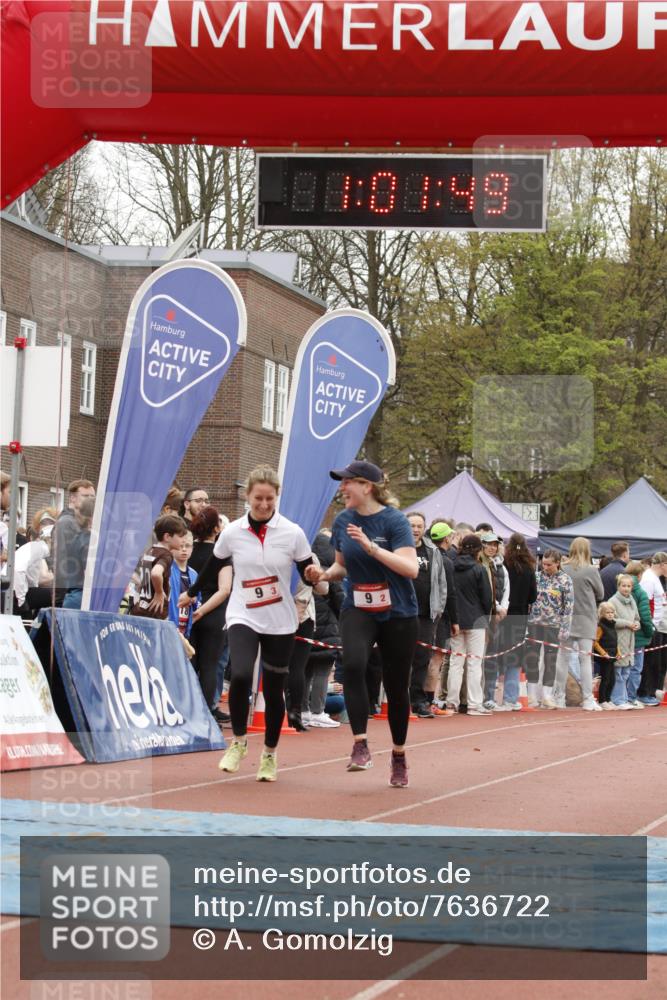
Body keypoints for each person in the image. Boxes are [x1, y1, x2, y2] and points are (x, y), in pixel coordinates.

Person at [182, 466, 314, 782]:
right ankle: (239, 742)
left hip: (280, 619)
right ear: (248, 496)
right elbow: (214, 562)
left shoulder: (292, 532)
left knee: (273, 687)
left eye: (270, 499)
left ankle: (269, 753)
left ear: (277, 497)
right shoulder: (233, 532)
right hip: (243, 612)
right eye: (259, 498)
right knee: (240, 674)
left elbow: (309, 567)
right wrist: (192, 592)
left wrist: (318, 580)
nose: (264, 505)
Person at [305, 461, 418, 788]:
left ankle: (398, 754)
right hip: (359, 606)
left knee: (396, 687)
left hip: (398, 611)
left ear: (366, 486)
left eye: (347, 483)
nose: (342, 489)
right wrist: (323, 575)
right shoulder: (343, 521)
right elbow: (342, 566)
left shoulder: (394, 521)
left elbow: (410, 569)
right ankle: (360, 744)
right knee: (353, 665)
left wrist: (372, 548)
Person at [187, 507, 233, 723]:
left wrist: (194, 609)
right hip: (213, 614)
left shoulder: (187, 550)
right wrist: (203, 611)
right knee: (209, 665)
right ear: (217, 528)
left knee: (188, 663)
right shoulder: (221, 555)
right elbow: (224, 589)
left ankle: (185, 709)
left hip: (187, 609)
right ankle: (204, 715)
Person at [554, 537, 604, 711]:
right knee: (585, 659)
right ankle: (587, 698)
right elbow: (601, 593)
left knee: (562, 658)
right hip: (586, 618)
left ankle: (559, 697)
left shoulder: (563, 568)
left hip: (566, 619)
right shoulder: (591, 570)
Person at [406, 512, 448, 718]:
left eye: (419, 526)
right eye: (412, 525)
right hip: (402, 613)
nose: (415, 529)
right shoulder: (398, 547)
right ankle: (397, 699)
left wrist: (438, 609)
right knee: (401, 656)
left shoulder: (432, 551)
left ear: (424, 529)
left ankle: (418, 700)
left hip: (426, 614)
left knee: (422, 658)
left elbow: (441, 582)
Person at [445, 534, 493, 716]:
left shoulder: (451, 566)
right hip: (476, 620)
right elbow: (487, 598)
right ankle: (474, 704)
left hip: (456, 619)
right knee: (474, 663)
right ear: (478, 550)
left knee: (456, 663)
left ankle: (452, 703)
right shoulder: (479, 569)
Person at [492, 533, 537, 711]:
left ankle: (490, 696)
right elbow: (533, 596)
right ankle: (510, 698)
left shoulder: (503, 566)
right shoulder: (529, 568)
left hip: (502, 615)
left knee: (496, 654)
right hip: (519, 617)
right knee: (515, 658)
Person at [525, 549, 574, 709]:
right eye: (543, 564)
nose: (545, 567)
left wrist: (565, 628)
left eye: (549, 564)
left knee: (550, 660)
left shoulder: (565, 580)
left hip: (553, 626)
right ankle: (531, 695)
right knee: (532, 659)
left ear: (558, 563)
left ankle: (547, 695)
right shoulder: (537, 577)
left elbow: (568, 606)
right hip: (534, 624)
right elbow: (529, 601)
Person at [425, 521, 459, 712]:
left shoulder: (426, 555)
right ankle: (429, 701)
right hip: (441, 615)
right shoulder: (445, 561)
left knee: (424, 658)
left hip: (426, 613)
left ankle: (422, 699)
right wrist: (455, 620)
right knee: (436, 659)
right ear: (447, 538)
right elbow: (450, 592)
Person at [130, 514, 188, 618]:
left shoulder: (149, 551)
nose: (184, 540)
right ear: (167, 537)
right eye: (180, 536)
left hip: (140, 609)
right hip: (154, 612)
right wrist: (159, 592)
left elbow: (135, 575)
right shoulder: (166, 555)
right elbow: (156, 574)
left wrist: (141, 586)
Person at [53, 479, 96, 605]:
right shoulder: (67, 523)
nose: (90, 500)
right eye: (85, 496)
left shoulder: (75, 522)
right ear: (72, 498)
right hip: (69, 590)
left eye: (92, 497)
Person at [623, 560, 654, 708]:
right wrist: (649, 633)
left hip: (622, 635)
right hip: (638, 636)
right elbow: (645, 616)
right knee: (635, 669)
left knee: (622, 667)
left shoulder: (620, 588)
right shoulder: (640, 592)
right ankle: (630, 697)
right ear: (639, 574)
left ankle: (620, 697)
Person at [638, 551, 667, 705]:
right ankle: (644, 692)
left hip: (657, 625)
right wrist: (649, 626)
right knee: (650, 662)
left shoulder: (655, 578)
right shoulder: (649, 579)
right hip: (652, 626)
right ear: (662, 564)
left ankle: (650, 692)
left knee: (655, 662)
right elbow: (645, 604)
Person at [608, 574, 640, 709]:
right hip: (618, 640)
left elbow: (637, 617)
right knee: (618, 671)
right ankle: (618, 699)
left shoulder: (632, 600)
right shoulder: (613, 601)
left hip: (630, 641)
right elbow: (610, 620)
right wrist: (627, 623)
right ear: (618, 586)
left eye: (628, 586)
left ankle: (624, 698)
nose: (626, 588)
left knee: (626, 671)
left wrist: (637, 624)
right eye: (623, 586)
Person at [593, 603, 618, 710]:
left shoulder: (612, 625)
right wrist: (603, 653)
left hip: (612, 657)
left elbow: (615, 642)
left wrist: (618, 652)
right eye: (607, 613)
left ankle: (608, 699)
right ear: (602, 614)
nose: (610, 615)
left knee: (612, 679)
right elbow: (595, 642)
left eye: (612, 612)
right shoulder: (600, 626)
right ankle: (602, 700)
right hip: (604, 657)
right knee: (606, 679)